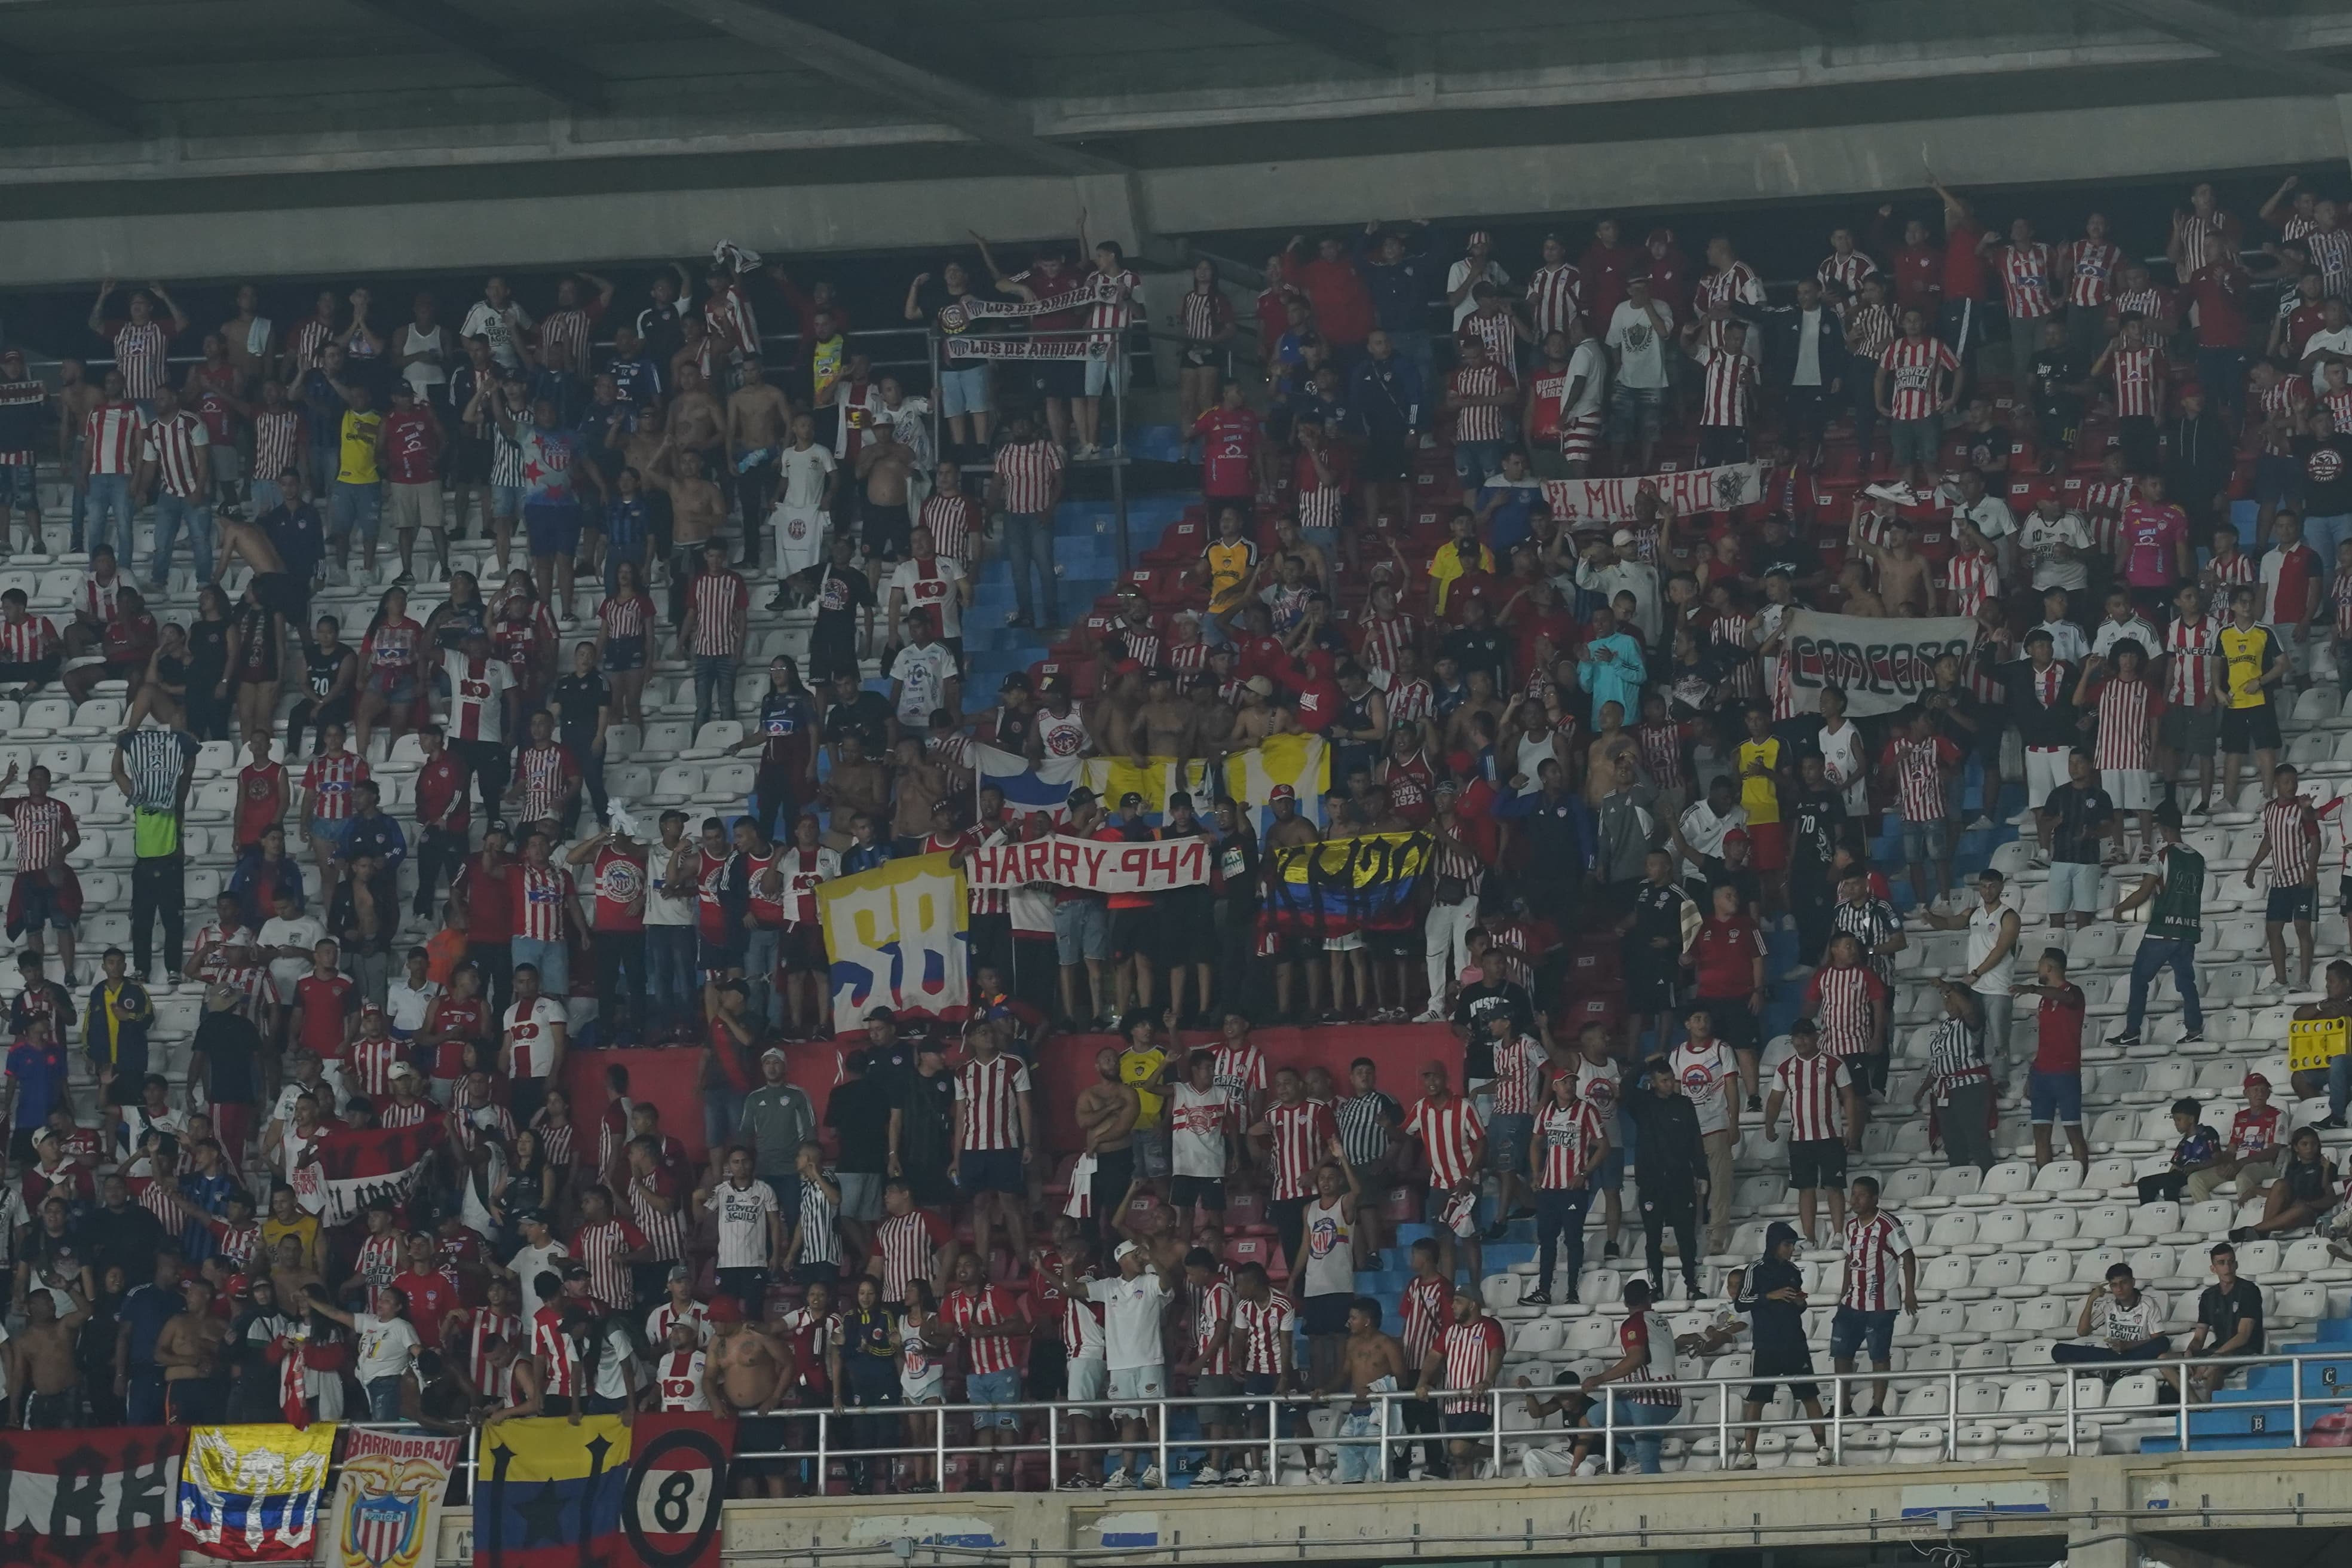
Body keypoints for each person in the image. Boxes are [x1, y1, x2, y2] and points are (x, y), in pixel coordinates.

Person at [1728, 1221, 1832, 1468]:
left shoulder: (1794, 1270)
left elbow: (1801, 1304)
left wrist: (1799, 1302)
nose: (1791, 1250)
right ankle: (1748, 1453)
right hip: (1766, 1343)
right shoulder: (1756, 1269)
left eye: (1793, 1245)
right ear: (1775, 1244)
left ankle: (1823, 1448)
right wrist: (1769, 1296)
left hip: (1795, 1340)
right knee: (1758, 1398)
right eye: (1787, 1245)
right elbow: (1741, 1302)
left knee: (1809, 1395)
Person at [2115, 803, 2207, 1048]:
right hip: (2188, 931)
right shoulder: (2198, 859)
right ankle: (2195, 1028)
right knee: (2186, 983)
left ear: (2162, 829)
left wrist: (2120, 908)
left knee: (2139, 980)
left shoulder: (2162, 856)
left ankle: (2132, 1032)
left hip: (2162, 931)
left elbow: (2145, 892)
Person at [1762, 1018, 1859, 1248]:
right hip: (1799, 1138)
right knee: (1805, 1189)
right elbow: (1775, 1100)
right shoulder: (1785, 1068)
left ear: (1816, 1037)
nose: (1801, 1041)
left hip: (1830, 1136)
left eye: (1806, 1036)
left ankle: (1837, 1235)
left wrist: (1852, 1129)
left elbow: (1848, 1097)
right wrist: (1769, 1125)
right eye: (1797, 1037)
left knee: (1834, 1186)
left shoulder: (1834, 1064)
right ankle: (1809, 1238)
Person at [1621, 1056, 1705, 1302]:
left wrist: (1702, 1174)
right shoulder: (1642, 1104)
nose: (1670, 1085)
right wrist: (1644, 1063)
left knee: (1686, 1236)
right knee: (1653, 1238)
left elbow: (1695, 1141)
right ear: (1654, 1083)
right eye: (1664, 1081)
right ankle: (1655, 1287)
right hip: (1651, 1182)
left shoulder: (1685, 1104)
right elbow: (1626, 1086)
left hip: (1680, 1180)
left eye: (1672, 1080)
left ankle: (1691, 1284)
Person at [1832, 1175, 1916, 1419]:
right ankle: (1842, 1405)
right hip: (1851, 1303)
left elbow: (1908, 1256)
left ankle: (1877, 1407)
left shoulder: (1889, 1224)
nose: (1854, 1200)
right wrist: (1844, 1290)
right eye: (1853, 1195)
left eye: (1861, 1195)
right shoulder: (1850, 1226)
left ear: (1874, 1198)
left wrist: (1909, 1291)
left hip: (1880, 1303)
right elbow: (1850, 1260)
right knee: (1841, 1354)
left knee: (1879, 1355)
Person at [1520, 1068, 1606, 1306]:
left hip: (1573, 1189)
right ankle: (1544, 1291)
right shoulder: (1546, 1111)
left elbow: (1602, 1145)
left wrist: (1584, 1173)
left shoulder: (1586, 1111)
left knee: (1573, 1239)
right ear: (1555, 1087)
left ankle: (1572, 1293)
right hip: (1549, 1188)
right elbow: (1536, 1142)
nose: (1570, 1086)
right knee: (1547, 1240)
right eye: (1564, 1082)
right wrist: (1537, 1173)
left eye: (1572, 1082)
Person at [1584, 1276, 1684, 1475]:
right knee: (1597, 1415)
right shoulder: (1660, 1320)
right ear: (1649, 1298)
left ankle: (1654, 1495)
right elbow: (1665, 1350)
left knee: (1648, 1456)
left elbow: (1636, 1358)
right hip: (1659, 1394)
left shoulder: (1634, 1323)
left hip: (1650, 1397)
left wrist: (1600, 1378)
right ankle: (1635, 1458)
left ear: (1625, 1302)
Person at [2015, 947, 2093, 1170]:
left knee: (2073, 1130)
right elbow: (2046, 1041)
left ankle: (2082, 1180)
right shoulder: (2044, 1000)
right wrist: (2032, 1075)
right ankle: (2043, 1180)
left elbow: (2066, 997)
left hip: (2065, 1072)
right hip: (2042, 1074)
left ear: (2049, 967)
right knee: (2040, 1133)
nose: (2037, 969)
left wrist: (2032, 988)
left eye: (2040, 964)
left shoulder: (2074, 991)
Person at [2246, 763, 2322, 992]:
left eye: (2295, 781)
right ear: (2277, 784)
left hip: (2301, 879)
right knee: (2273, 930)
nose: (2293, 786)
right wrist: (2252, 867)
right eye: (2287, 782)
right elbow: (2269, 840)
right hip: (2279, 881)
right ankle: (2280, 981)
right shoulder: (2269, 810)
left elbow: (2316, 841)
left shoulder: (2303, 808)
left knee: (2301, 928)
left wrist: (2311, 870)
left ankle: (2304, 981)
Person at [2168, 1242, 2264, 1404]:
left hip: (2244, 1350)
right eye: (2221, 1263)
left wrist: (2213, 1357)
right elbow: (2199, 1336)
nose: (2228, 1267)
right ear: (2213, 1269)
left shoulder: (2249, 1290)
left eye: (2231, 1262)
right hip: (2218, 1349)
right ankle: (2195, 1404)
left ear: (2236, 1264)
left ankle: (2209, 1407)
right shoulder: (2208, 1296)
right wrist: (2190, 1352)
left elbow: (2243, 1336)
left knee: (2216, 1365)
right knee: (2164, 1360)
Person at [2053, 1261, 2169, 1369]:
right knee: (2058, 1350)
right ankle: (2118, 1369)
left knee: (2163, 1342)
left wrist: (2127, 1346)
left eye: (2124, 1283)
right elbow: (2082, 1332)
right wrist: (2091, 1300)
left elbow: (2157, 1339)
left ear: (2133, 1282)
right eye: (2114, 1285)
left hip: (2137, 1352)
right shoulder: (2108, 1305)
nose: (2119, 1289)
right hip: (2111, 1356)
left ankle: (2116, 1370)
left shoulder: (2148, 1304)